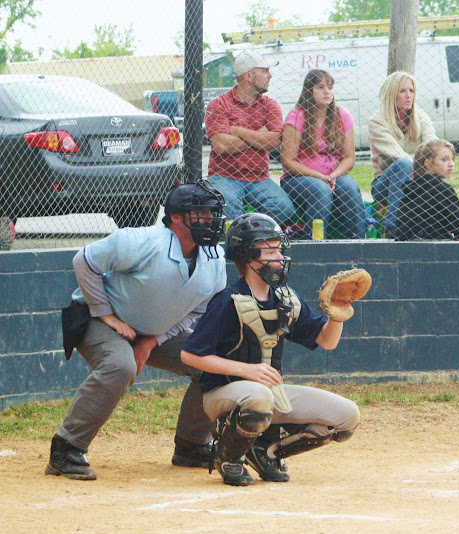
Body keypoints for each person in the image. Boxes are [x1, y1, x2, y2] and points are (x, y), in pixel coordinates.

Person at [47, 180, 228, 480]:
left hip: (152, 332)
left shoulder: (214, 257)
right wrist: (105, 313)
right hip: (96, 320)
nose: (211, 220)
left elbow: (199, 309)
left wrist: (152, 341)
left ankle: (192, 445)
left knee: (216, 360)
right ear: (176, 217)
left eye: (212, 213)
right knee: (120, 366)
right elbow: (84, 261)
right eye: (202, 212)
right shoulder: (141, 241)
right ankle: (66, 449)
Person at [180, 213, 361, 486]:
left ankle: (265, 450)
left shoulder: (285, 297)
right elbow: (190, 355)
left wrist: (337, 316)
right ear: (248, 256)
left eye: (279, 250)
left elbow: (326, 341)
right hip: (222, 395)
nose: (280, 257)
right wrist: (247, 370)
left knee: (347, 417)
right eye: (271, 251)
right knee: (259, 396)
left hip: (267, 395)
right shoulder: (228, 300)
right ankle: (230, 456)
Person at [206, 50, 294, 224]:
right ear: (248, 76)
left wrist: (238, 131)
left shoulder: (270, 105)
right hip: (223, 176)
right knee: (228, 203)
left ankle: (253, 232)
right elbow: (221, 146)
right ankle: (238, 236)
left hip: (259, 178)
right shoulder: (218, 104)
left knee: (284, 207)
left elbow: (275, 141)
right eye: (264, 71)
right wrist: (260, 135)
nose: (270, 75)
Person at [281, 69, 365, 239]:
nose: (327, 92)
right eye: (320, 87)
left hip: (333, 175)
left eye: (330, 87)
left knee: (349, 187)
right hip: (299, 178)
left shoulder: (342, 115)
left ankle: (358, 243)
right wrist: (320, 177)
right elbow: (288, 161)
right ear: (309, 91)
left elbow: (349, 158)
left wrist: (333, 176)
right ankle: (316, 244)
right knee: (320, 190)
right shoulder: (297, 116)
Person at [369, 71, 438, 238]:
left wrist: (432, 164)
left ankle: (435, 229)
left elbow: (433, 147)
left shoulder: (420, 116)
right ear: (392, 94)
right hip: (385, 183)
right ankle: (393, 227)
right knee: (404, 165)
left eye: (411, 91)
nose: (409, 96)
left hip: (419, 177)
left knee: (438, 172)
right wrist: (424, 167)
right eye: (402, 91)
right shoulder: (377, 121)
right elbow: (397, 155)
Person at [394, 139, 459, 241]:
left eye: (452, 159)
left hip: (408, 247)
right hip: (440, 247)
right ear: (428, 164)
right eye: (444, 160)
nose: (451, 164)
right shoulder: (444, 190)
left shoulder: (410, 190)